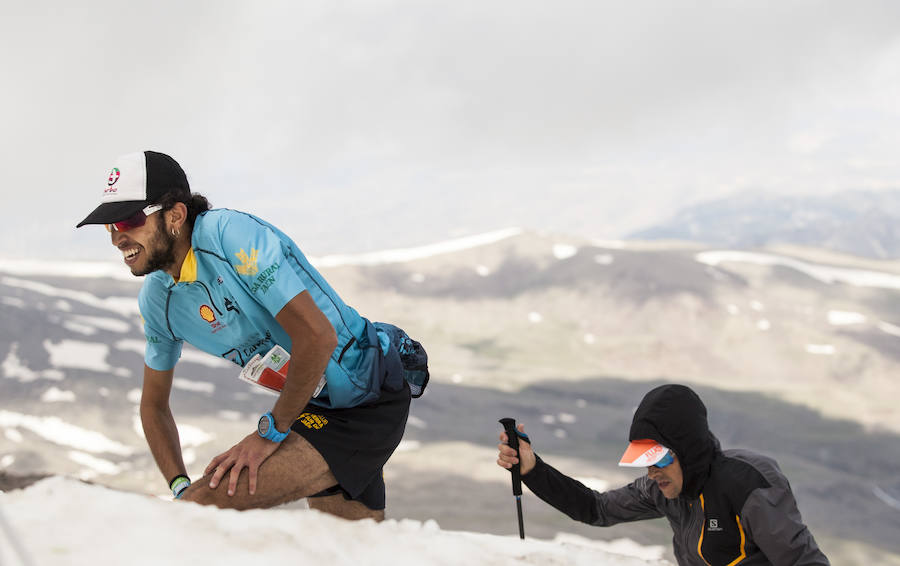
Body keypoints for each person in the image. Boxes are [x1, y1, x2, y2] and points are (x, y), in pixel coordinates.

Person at [76, 150, 428, 520]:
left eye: (129, 219)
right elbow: (153, 406)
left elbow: (317, 336)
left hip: (367, 393)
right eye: (109, 226)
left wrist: (268, 433)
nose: (118, 237)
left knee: (201, 510)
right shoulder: (157, 300)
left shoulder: (229, 234)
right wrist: (178, 484)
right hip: (310, 407)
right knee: (352, 551)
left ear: (176, 215)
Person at [496, 384, 830, 565]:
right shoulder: (662, 489)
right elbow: (595, 508)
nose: (652, 471)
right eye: (644, 459)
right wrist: (533, 470)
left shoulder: (747, 482)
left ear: (687, 449)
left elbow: (803, 561)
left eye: (658, 458)